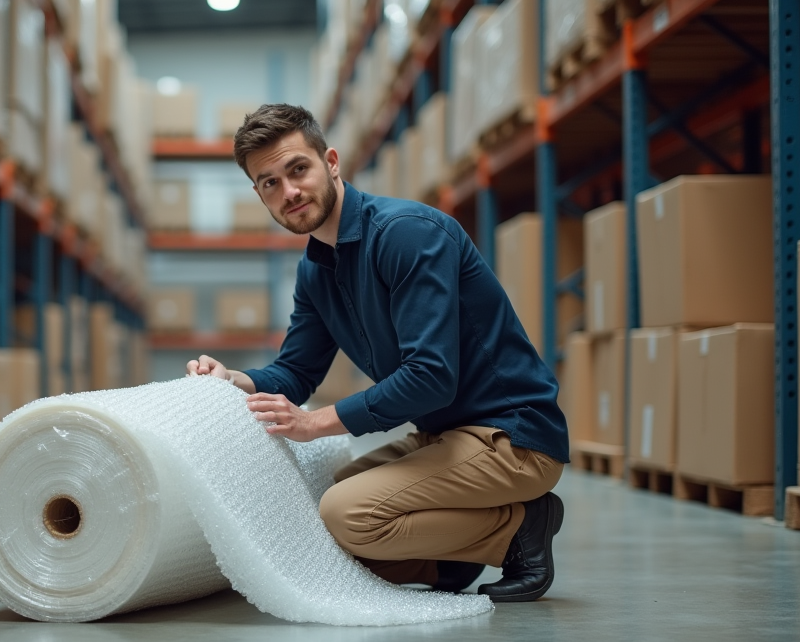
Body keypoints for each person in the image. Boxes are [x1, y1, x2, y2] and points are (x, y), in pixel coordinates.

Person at [187, 104, 569, 602]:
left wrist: (315, 423)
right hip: (445, 436)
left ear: (331, 162)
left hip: (513, 438)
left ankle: (519, 527)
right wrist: (234, 379)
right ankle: (447, 564)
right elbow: (297, 370)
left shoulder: (406, 234)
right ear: (259, 195)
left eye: (298, 169)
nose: (290, 192)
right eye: (270, 183)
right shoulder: (316, 270)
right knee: (317, 520)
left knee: (346, 513)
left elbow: (431, 377)